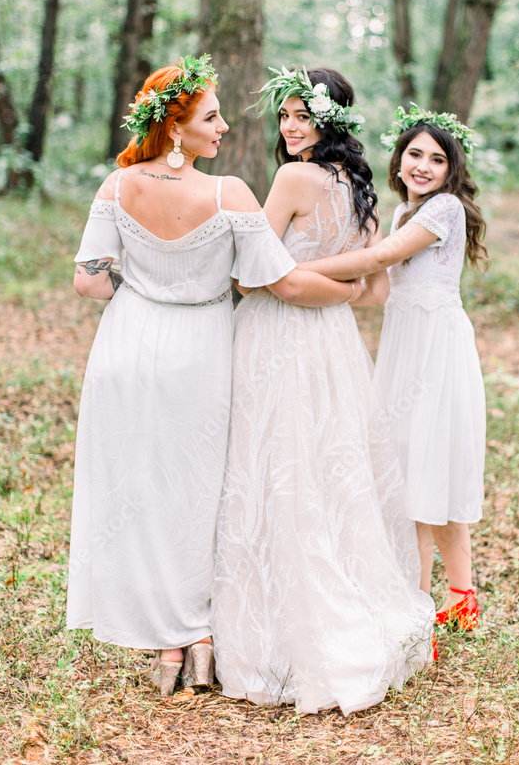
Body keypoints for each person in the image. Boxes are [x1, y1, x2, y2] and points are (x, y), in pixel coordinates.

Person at [66, 56, 356, 697]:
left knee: (138, 492)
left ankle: (164, 642)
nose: (225, 126)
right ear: (175, 129)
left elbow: (89, 280)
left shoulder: (114, 189)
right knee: (199, 495)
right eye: (212, 116)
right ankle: (195, 636)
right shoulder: (231, 195)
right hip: (200, 347)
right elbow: (274, 279)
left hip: (127, 344)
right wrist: (350, 290)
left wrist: (143, 289)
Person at [212, 67, 436, 716]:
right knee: (325, 469)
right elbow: (371, 288)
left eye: (301, 116)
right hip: (335, 343)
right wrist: (331, 287)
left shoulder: (291, 178)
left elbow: (254, 275)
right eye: (284, 116)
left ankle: (279, 634)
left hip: (278, 339)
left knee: (272, 465)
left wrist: (289, 274)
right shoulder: (356, 185)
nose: (289, 127)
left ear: (327, 121)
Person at [299, 104, 488, 630]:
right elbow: (376, 285)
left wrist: (291, 269)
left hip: (436, 350)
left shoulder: (444, 210)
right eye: (414, 154)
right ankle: (461, 597)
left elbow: (379, 259)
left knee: (423, 473)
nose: (423, 166)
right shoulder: (402, 212)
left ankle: (414, 610)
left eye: (436, 159)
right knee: (416, 468)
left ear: (452, 170)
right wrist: (321, 293)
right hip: (405, 345)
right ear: (399, 159)